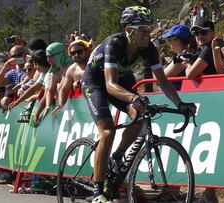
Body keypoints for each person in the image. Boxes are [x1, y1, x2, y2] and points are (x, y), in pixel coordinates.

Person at [81, 6, 196, 203]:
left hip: (121, 78)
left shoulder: (149, 48)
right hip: (97, 82)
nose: (147, 34)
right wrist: (133, 97)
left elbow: (163, 81)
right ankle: (97, 191)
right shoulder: (114, 43)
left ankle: (117, 156)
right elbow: (109, 85)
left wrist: (180, 104)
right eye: (143, 30)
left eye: (149, 29)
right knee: (107, 132)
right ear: (129, 30)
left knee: (139, 112)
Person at [52, 40, 92, 115]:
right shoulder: (71, 70)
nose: (76, 55)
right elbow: (64, 90)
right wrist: (60, 104)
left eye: (79, 51)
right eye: (73, 53)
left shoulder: (94, 64)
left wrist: (80, 83)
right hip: (83, 110)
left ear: (86, 51)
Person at [161, 24, 195, 90]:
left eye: (169, 39)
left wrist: (154, 58)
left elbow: (160, 78)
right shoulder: (187, 55)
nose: (168, 42)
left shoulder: (182, 59)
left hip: (178, 95)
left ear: (177, 40)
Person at [0, 45, 27, 110]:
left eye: (19, 55)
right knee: (3, 101)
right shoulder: (13, 71)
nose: (16, 58)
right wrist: (5, 68)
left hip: (30, 97)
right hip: (20, 100)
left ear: (25, 54)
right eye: (13, 56)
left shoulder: (33, 65)